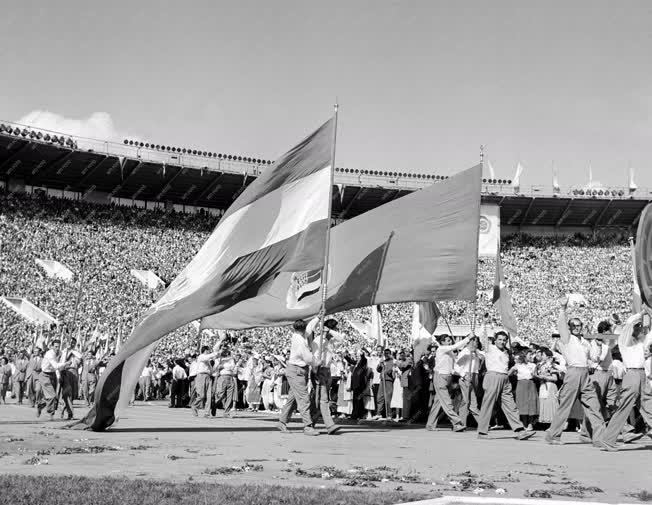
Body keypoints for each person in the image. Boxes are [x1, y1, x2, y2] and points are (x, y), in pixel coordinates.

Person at [544, 296, 605, 445]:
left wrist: (597, 344)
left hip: (585, 374)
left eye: (579, 325)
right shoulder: (566, 338)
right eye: (574, 325)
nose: (578, 327)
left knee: (594, 406)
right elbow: (561, 325)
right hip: (572, 373)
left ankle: (598, 438)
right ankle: (553, 436)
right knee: (565, 407)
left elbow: (595, 358)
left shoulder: (585, 342)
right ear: (570, 327)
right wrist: (563, 309)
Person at [597, 312, 652, 450]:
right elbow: (629, 324)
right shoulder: (625, 340)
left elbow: (649, 334)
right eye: (638, 327)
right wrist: (641, 313)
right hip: (632, 374)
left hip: (641, 375)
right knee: (624, 408)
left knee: (649, 406)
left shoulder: (641, 341)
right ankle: (608, 440)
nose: (641, 329)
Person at [477, 328, 536, 440]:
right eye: (499, 339)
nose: (502, 342)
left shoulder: (506, 352)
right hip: (493, 376)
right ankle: (482, 431)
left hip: (505, 378)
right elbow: (482, 337)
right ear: (495, 340)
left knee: (510, 405)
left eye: (504, 340)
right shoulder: (490, 348)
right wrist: (484, 324)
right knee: (488, 404)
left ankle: (519, 430)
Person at [278, 318, 320, 435]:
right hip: (297, 371)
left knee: (292, 399)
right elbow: (307, 358)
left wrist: (317, 318)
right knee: (303, 399)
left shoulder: (298, 336)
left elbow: (310, 328)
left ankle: (282, 422)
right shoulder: (300, 341)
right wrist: (317, 362)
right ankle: (307, 426)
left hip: (296, 370)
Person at [426, 334, 471, 431]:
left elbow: (455, 365)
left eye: (450, 340)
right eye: (447, 340)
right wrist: (467, 339)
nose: (449, 342)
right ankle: (456, 423)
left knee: (438, 403)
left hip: (447, 378)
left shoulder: (449, 352)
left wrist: (463, 374)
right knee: (447, 403)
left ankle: (430, 424)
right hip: (440, 378)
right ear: (442, 342)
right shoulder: (441, 349)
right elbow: (455, 346)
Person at [310, 318, 342, 434]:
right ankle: (329, 425)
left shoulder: (331, 341)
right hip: (319, 370)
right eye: (335, 328)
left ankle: (310, 423)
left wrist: (330, 332)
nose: (337, 330)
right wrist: (315, 371)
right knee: (323, 399)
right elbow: (314, 356)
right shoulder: (318, 340)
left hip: (328, 371)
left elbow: (341, 338)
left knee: (318, 400)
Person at [37, 340, 71, 420]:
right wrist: (65, 364)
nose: (57, 348)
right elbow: (56, 366)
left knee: (53, 396)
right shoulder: (50, 354)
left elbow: (64, 355)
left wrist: (67, 348)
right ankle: (50, 413)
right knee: (52, 396)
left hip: (53, 375)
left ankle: (41, 405)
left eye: (58, 346)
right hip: (45, 375)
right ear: (52, 346)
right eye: (55, 346)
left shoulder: (59, 353)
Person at [455, 336, 483, 429]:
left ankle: (482, 423)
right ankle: (461, 423)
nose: (476, 343)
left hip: (475, 376)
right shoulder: (465, 352)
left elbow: (484, 356)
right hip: (466, 376)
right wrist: (463, 375)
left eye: (477, 342)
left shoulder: (476, 352)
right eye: (473, 341)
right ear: (468, 342)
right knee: (466, 401)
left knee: (473, 402)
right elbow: (456, 366)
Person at [510, 353, 538, 430]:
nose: (531, 356)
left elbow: (535, 375)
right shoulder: (517, 365)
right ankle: (524, 422)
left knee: (531, 403)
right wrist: (513, 370)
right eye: (530, 355)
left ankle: (530, 423)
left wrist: (535, 375)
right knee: (522, 403)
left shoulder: (533, 365)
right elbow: (509, 373)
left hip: (531, 383)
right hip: (521, 384)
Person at [191, 343, 220, 417]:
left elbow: (211, 369)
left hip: (208, 377)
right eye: (208, 350)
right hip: (201, 376)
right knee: (201, 395)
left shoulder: (208, 361)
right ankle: (195, 406)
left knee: (209, 395)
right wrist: (216, 352)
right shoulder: (201, 357)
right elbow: (208, 356)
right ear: (205, 350)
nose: (209, 351)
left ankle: (207, 413)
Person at [374, 348, 395, 420]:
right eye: (385, 353)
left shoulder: (392, 361)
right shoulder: (383, 361)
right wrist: (380, 364)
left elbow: (389, 371)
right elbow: (378, 370)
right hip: (382, 380)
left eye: (387, 353)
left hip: (388, 380)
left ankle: (389, 415)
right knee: (380, 397)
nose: (386, 355)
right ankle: (378, 413)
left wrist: (385, 366)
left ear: (390, 354)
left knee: (388, 398)